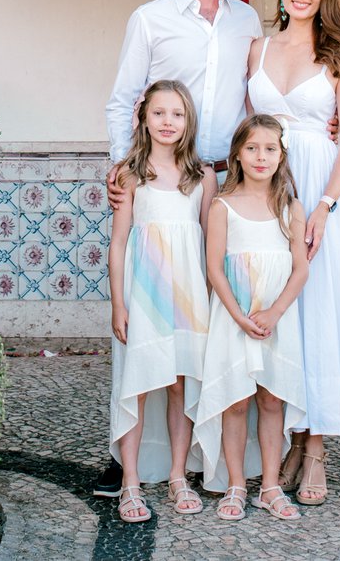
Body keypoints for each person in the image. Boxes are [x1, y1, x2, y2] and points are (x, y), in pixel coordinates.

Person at [96, 0, 262, 499]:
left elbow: (259, 99)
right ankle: (132, 466)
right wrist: (125, 166)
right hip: (161, 180)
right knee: (149, 331)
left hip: (224, 186)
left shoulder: (247, 20)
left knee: (211, 328)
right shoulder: (151, 19)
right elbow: (125, 99)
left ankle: (212, 462)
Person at [245, 0, 340, 505]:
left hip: (323, 190)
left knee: (319, 313)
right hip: (269, 187)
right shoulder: (257, 49)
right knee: (283, 314)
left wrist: (324, 205)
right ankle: (291, 439)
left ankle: (316, 448)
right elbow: (247, 128)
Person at [191, 114, 311, 521]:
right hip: (234, 319)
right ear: (238, 155)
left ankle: (271, 486)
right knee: (237, 402)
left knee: (272, 399)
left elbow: (300, 270)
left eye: (270, 149)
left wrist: (274, 313)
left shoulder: (291, 208)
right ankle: (236, 484)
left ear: (281, 156)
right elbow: (214, 269)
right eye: (252, 148)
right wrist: (239, 317)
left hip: (276, 320)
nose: (262, 156)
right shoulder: (223, 206)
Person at [107, 79, 214, 523]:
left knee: (179, 384)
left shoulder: (202, 177)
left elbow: (209, 244)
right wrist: (119, 304)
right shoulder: (131, 175)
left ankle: (177, 474)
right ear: (144, 118)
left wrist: (212, 300)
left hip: (188, 297)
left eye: (177, 114)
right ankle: (130, 481)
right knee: (139, 382)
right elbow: (118, 244)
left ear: (188, 121)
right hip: (144, 294)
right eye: (159, 113)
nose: (168, 122)